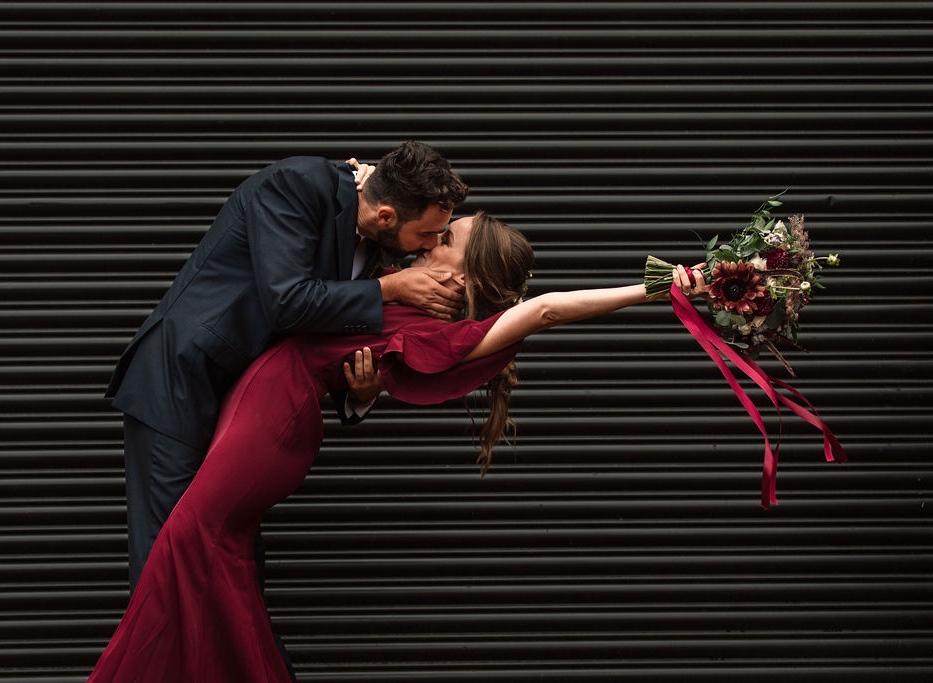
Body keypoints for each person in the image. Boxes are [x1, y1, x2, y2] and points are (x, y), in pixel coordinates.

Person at [87, 211, 707, 682]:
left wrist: (664, 289)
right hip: (260, 411)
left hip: (270, 424)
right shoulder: (401, 288)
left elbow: (543, 310)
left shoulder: (462, 331)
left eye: (446, 240)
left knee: (188, 546)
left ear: (463, 274)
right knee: (215, 561)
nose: (430, 241)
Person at [105, 140, 470, 591]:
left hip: (243, 410)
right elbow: (288, 302)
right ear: (386, 216)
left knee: (231, 559)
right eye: (429, 235)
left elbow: (329, 328)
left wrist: (359, 392)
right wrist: (389, 289)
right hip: (180, 384)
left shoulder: (376, 231)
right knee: (170, 558)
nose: (431, 245)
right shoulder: (295, 185)